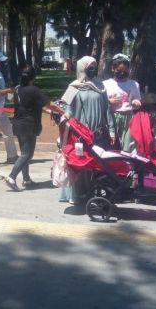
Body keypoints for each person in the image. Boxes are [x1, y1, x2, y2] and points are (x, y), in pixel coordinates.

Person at [60, 56, 113, 204]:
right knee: (79, 164)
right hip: (80, 134)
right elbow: (67, 108)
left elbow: (107, 110)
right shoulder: (74, 87)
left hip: (98, 134)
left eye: (95, 66)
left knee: (95, 165)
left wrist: (112, 131)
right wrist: (66, 116)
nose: (93, 69)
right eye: (90, 67)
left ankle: (91, 194)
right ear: (83, 68)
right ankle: (76, 195)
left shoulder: (100, 86)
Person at [5, 66, 66, 191]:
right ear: (33, 77)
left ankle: (26, 180)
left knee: (24, 153)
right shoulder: (34, 90)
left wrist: (49, 112)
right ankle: (12, 177)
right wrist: (62, 112)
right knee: (28, 154)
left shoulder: (17, 89)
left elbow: (32, 105)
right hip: (29, 125)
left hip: (17, 123)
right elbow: (49, 104)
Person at [103, 53, 141, 151]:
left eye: (125, 71)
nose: (122, 73)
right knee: (112, 144)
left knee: (127, 144)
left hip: (128, 117)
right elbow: (101, 102)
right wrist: (109, 101)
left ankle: (127, 158)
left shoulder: (134, 84)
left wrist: (136, 103)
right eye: (119, 71)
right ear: (113, 68)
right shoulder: (106, 84)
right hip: (111, 117)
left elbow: (136, 99)